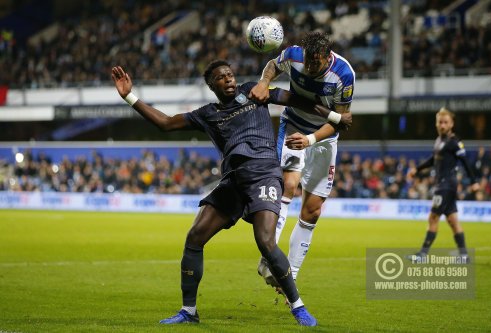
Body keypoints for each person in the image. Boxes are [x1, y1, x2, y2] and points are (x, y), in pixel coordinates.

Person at [111, 60, 350, 326]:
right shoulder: (207, 114)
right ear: (211, 85)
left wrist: (333, 116)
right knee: (195, 236)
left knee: (266, 242)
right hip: (234, 181)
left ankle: (298, 307)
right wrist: (129, 97)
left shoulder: (254, 91)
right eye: (221, 77)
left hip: (264, 174)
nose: (228, 79)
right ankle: (188, 312)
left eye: (230, 75)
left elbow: (294, 99)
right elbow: (166, 123)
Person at [249, 31, 355, 285]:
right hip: (294, 125)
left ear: (327, 57)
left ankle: (290, 277)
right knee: (288, 185)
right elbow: (273, 65)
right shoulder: (295, 55)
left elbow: (341, 122)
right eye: (307, 61)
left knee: (313, 210)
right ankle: (269, 256)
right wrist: (264, 83)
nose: (308, 67)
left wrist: (311, 140)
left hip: (323, 138)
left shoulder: (344, 75)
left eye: (315, 63)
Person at [407, 107, 479, 261]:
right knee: (453, 221)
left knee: (433, 218)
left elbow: (465, 162)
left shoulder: (455, 142)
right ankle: (464, 256)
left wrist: (474, 182)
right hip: (444, 185)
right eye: (440, 122)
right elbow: (433, 160)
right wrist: (417, 169)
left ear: (451, 124)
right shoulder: (439, 141)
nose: (442, 125)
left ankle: (422, 255)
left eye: (446, 122)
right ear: (436, 124)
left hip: (446, 185)